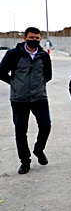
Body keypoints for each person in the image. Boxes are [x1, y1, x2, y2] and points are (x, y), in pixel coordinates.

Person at [0, 27, 52, 174]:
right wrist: (15, 83)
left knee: (46, 125)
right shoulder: (13, 54)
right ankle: (25, 161)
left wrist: (38, 86)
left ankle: (38, 149)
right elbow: (1, 72)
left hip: (39, 97)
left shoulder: (44, 56)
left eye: (37, 38)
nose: (34, 40)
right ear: (25, 38)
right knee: (21, 131)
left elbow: (48, 75)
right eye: (31, 37)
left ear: (40, 39)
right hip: (19, 99)